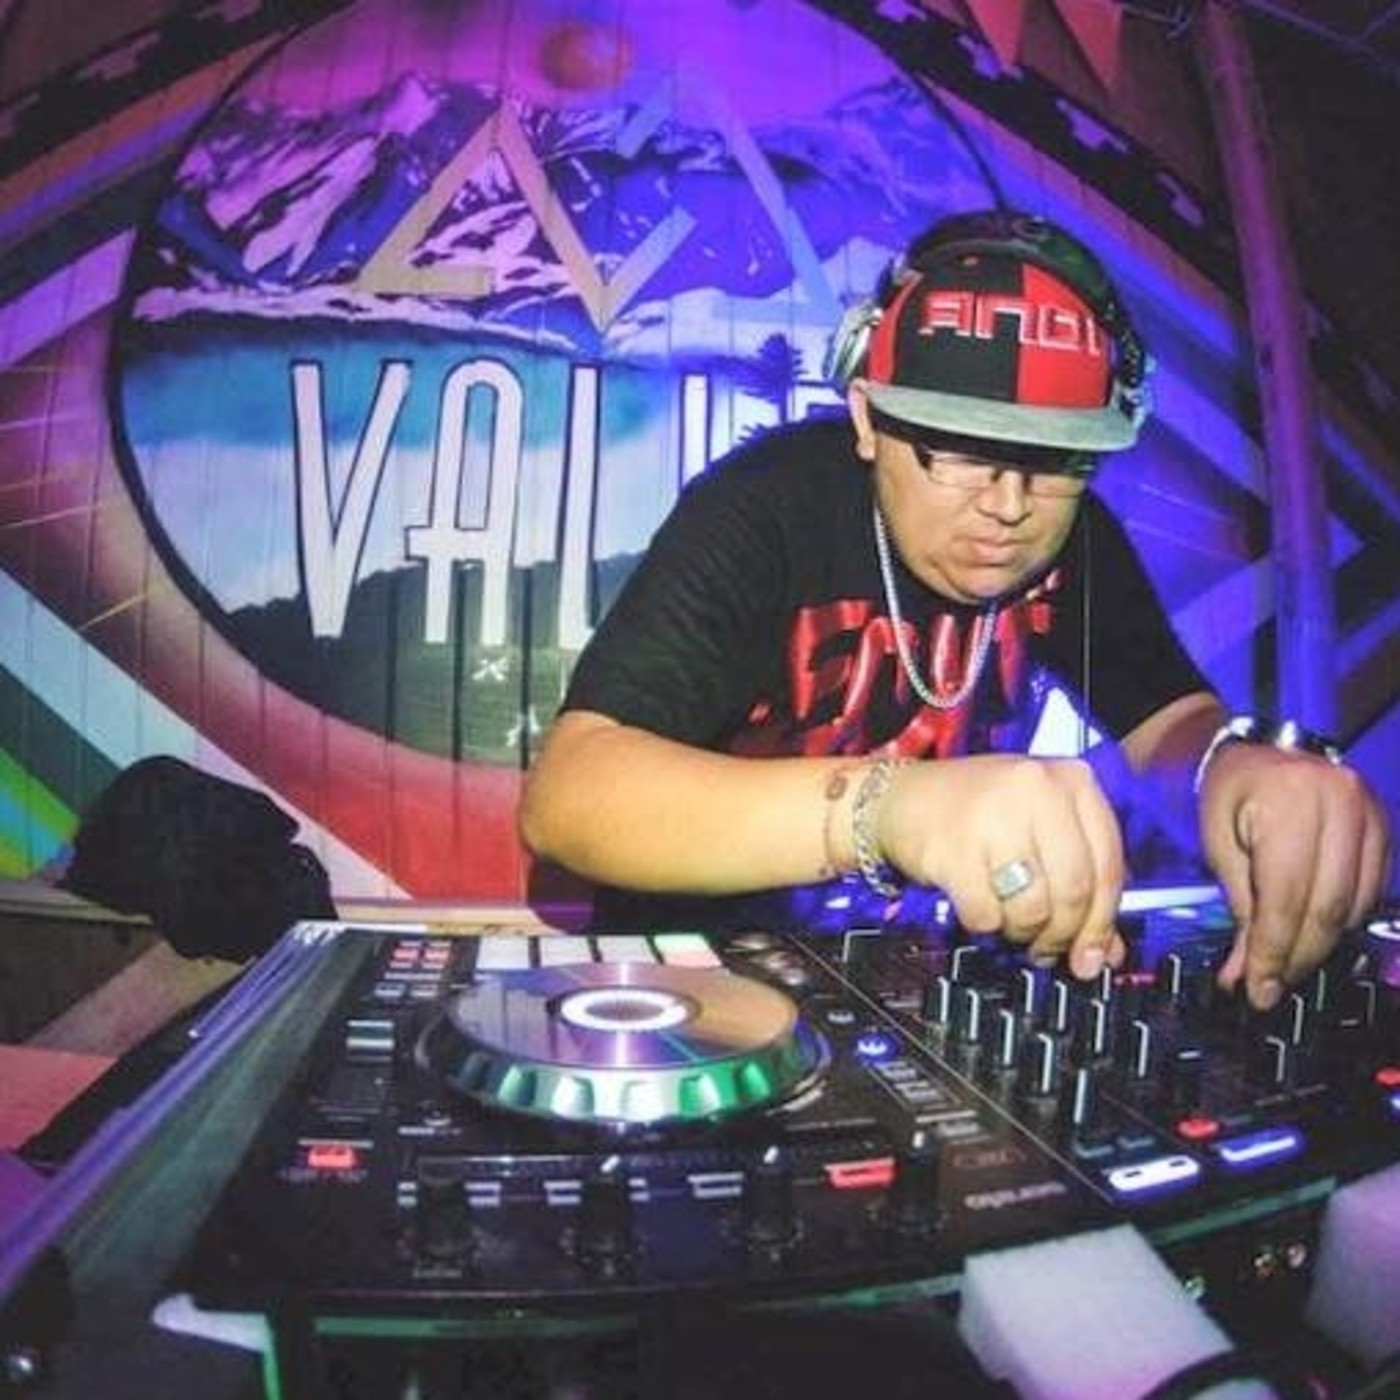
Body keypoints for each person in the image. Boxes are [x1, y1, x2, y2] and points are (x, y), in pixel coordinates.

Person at [519, 208, 1391, 1010]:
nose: (1009, 506)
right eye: (961, 451)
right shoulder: (766, 508)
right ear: (869, 419)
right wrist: (888, 809)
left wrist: (1231, 765)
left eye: (1057, 459)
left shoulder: (1074, 536)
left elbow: (1167, 720)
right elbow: (570, 797)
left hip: (907, 980)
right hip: (698, 984)